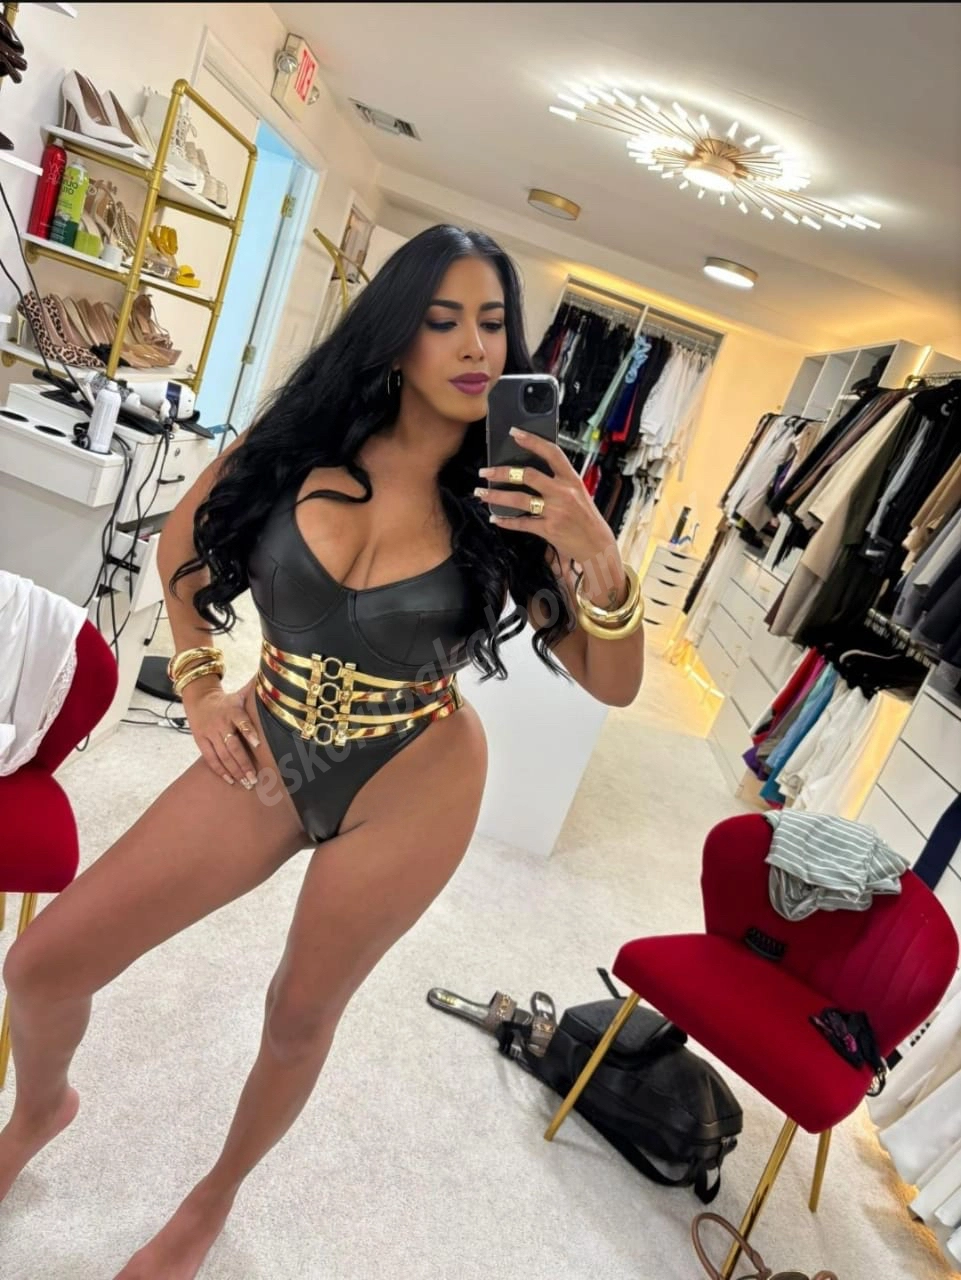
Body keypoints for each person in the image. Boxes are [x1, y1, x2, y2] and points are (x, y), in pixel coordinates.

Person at [0, 224, 644, 1278]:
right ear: (395, 333)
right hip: (275, 740)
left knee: (298, 1013)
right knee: (42, 964)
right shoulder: (305, 438)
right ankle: (40, 1111)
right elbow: (182, 539)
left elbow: (612, 681)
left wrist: (599, 556)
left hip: (414, 777)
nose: (472, 345)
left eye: (492, 323)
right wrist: (198, 680)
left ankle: (209, 1202)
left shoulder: (515, 497)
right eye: (442, 320)